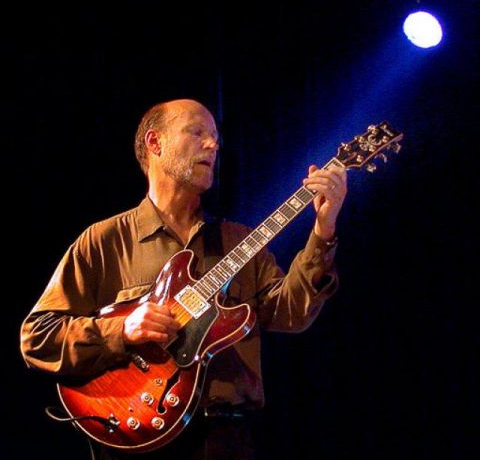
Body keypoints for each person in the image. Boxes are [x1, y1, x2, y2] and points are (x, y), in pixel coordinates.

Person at [20, 99, 347, 459]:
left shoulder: (238, 240)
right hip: (134, 435)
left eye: (215, 137)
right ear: (155, 143)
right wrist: (122, 329)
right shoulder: (104, 241)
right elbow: (38, 337)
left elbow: (292, 314)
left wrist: (323, 229)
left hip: (228, 439)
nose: (213, 144)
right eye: (197, 132)